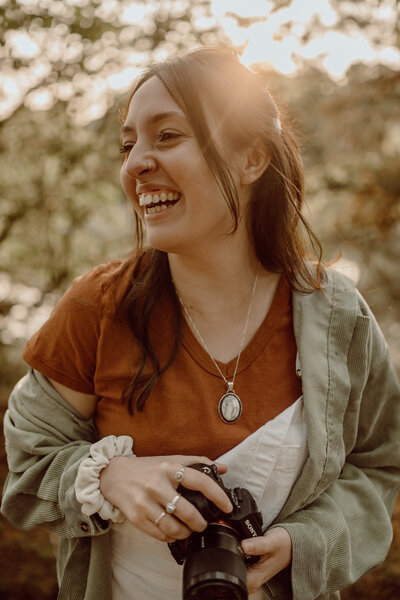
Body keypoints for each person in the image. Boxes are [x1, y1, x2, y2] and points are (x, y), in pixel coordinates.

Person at [2, 47, 400, 600]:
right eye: (128, 144)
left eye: (167, 136)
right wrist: (112, 477)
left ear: (251, 159)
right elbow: (30, 455)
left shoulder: (337, 314)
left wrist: (304, 542)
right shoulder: (98, 307)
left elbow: (379, 464)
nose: (136, 162)